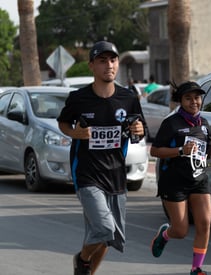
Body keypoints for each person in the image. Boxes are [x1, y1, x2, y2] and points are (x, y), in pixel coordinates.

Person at [57, 41, 146, 275]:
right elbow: (63, 122)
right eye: (102, 60)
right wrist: (75, 133)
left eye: (113, 60)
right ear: (92, 66)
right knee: (105, 228)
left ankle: (85, 270)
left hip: (116, 175)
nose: (109, 65)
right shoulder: (79, 98)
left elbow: (139, 126)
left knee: (107, 238)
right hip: (87, 174)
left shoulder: (129, 98)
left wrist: (139, 130)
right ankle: (82, 258)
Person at [150, 81, 211, 275]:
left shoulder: (204, 124)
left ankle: (196, 269)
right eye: (189, 98)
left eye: (197, 97)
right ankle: (165, 235)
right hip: (173, 182)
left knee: (204, 223)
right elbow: (155, 151)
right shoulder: (171, 123)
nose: (194, 102)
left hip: (198, 179)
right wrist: (180, 150)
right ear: (181, 101)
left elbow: (207, 154)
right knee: (181, 230)